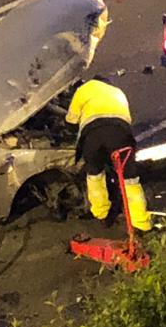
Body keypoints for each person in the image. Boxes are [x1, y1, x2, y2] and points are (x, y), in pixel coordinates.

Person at [65, 77, 152, 232]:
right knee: (130, 180)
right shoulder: (118, 92)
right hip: (120, 135)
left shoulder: (83, 90)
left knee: (95, 175)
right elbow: (126, 120)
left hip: (93, 137)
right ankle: (140, 223)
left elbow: (70, 120)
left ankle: (102, 214)